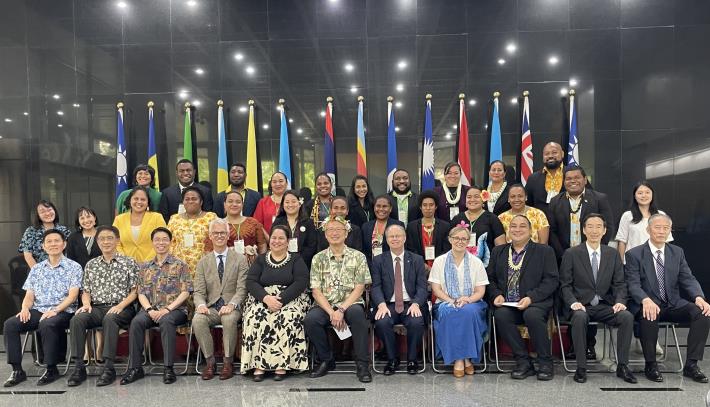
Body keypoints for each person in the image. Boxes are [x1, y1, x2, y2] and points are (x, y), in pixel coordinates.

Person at [625, 213, 710, 383]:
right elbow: (632, 284)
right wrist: (645, 299)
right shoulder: (634, 254)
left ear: (670, 231)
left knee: (702, 312)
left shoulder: (677, 252)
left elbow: (688, 278)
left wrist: (699, 297)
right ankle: (651, 365)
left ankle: (691, 365)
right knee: (649, 313)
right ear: (649, 230)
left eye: (666, 228)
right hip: (649, 304)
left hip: (673, 303)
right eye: (657, 227)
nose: (662, 231)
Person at [559, 213, 637, 384]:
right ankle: (581, 367)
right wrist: (573, 302)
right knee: (579, 317)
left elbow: (620, 283)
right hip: (581, 305)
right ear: (584, 230)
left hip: (605, 304)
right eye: (590, 227)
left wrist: (620, 302)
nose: (594, 230)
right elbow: (565, 284)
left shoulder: (612, 254)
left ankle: (623, 365)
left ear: (604, 231)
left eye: (598, 227)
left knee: (627, 317)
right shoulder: (571, 253)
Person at [3, 229, 82, 387]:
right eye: (49, 242)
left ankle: (51, 368)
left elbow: (72, 296)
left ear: (64, 244)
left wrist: (55, 310)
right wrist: (25, 308)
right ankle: (17, 370)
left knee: (47, 323)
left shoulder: (74, 267)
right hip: (38, 310)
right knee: (10, 324)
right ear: (43, 247)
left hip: (63, 311)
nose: (53, 244)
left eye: (57, 241)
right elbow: (30, 295)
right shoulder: (37, 269)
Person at [66, 225, 139, 387]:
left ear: (117, 240)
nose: (105, 242)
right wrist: (85, 304)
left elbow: (135, 292)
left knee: (110, 318)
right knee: (77, 319)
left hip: (123, 308)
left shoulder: (129, 262)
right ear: (97, 242)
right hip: (97, 307)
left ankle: (108, 368)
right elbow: (86, 290)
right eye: (102, 239)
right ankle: (79, 368)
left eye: (109, 238)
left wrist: (121, 305)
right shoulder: (91, 264)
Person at [487, 215, 558, 380]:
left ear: (530, 231)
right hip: (508, 303)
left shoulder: (544, 251)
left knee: (531, 315)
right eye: (513, 226)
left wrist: (531, 298)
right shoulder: (499, 251)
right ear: (508, 230)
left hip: (536, 303)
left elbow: (551, 280)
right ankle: (523, 361)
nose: (517, 230)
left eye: (522, 226)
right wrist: (496, 294)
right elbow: (489, 279)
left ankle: (545, 361)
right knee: (500, 315)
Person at [120, 227, 193, 385]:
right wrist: (149, 310)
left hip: (175, 310)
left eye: (164, 239)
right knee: (137, 322)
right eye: (157, 239)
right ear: (152, 242)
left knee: (167, 321)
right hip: (150, 309)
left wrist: (167, 309)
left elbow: (185, 292)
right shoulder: (145, 267)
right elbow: (140, 293)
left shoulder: (180, 265)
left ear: (170, 242)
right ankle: (135, 368)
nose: (161, 242)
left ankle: (168, 368)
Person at [305, 216, 372, 383]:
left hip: (351, 302)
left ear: (346, 233)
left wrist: (341, 309)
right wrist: (331, 312)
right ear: (325, 234)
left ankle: (362, 364)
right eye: (330, 230)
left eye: (339, 229)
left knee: (358, 317)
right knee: (311, 320)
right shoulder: (318, 258)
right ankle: (327, 360)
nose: (334, 233)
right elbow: (315, 290)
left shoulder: (358, 257)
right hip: (325, 304)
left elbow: (359, 287)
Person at [241, 225, 310, 381]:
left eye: (281, 238)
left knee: (286, 317)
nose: (276, 241)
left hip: (290, 299)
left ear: (287, 242)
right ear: (269, 239)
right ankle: (259, 365)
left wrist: (280, 300)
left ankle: (282, 365)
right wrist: (266, 298)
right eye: (273, 238)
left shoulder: (296, 259)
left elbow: (301, 282)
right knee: (254, 317)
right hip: (263, 298)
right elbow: (251, 281)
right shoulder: (261, 259)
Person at [192, 219, 249, 381]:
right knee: (198, 320)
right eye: (215, 233)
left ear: (228, 235)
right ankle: (210, 362)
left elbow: (242, 289)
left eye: (222, 233)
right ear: (210, 236)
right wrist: (201, 305)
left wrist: (232, 304)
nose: (219, 236)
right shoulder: (203, 262)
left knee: (229, 319)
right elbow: (198, 291)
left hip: (232, 307)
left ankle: (227, 363)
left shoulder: (240, 259)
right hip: (212, 307)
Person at [429, 225, 489, 378]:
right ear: (450, 239)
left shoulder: (477, 263)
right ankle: (464, 359)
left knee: (467, 312)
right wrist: (452, 301)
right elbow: (436, 289)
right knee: (451, 311)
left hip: (472, 302)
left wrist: (467, 300)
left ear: (469, 241)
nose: (460, 241)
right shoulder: (439, 261)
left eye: (464, 239)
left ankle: (460, 359)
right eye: (456, 238)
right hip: (445, 302)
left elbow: (480, 291)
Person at [371, 225, 428, 375]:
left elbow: (422, 287)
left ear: (404, 238)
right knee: (382, 322)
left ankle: (412, 359)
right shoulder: (378, 261)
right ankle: (392, 359)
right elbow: (375, 287)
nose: (395, 239)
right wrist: (381, 305)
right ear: (386, 240)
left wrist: (416, 303)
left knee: (416, 322)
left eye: (398, 236)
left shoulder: (416, 259)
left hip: (411, 303)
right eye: (391, 236)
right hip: (388, 304)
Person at [548, 165, 615, 261]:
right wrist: (563, 255)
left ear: (585, 180)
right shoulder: (555, 201)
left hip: (592, 256)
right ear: (564, 182)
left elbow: (608, 227)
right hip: (563, 257)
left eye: (577, 178)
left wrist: (595, 249)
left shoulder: (599, 199)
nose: (572, 181)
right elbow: (552, 232)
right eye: (568, 179)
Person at [167, 186, 218, 277]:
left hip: (205, 268)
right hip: (178, 270)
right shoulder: (174, 218)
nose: (190, 201)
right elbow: (169, 243)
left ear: (201, 202)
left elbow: (218, 240)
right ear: (183, 202)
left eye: (194, 199)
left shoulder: (211, 217)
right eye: (187, 199)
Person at [450, 186, 507, 267]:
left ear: (483, 200)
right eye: (469, 197)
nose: (472, 200)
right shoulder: (457, 219)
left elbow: (501, 247)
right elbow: (449, 244)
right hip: (460, 265)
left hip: (486, 267)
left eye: (476, 197)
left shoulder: (492, 219)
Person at [616, 181, 673, 259]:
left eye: (647, 192)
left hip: (655, 261)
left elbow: (666, 240)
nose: (644, 195)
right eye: (640, 193)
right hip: (632, 261)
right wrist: (621, 263)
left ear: (652, 195)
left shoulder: (661, 215)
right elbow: (622, 241)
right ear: (634, 196)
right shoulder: (627, 215)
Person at [209, 190, 266, 265]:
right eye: (230, 201)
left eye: (238, 202)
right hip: (226, 268)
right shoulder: (217, 224)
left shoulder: (253, 223)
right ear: (224, 205)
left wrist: (261, 264)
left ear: (242, 205)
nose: (234, 204)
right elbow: (209, 249)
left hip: (251, 267)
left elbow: (262, 245)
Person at [113, 186, 167, 262]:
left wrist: (147, 262)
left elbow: (162, 242)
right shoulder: (119, 219)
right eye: (136, 199)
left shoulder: (157, 217)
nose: (139, 202)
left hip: (153, 266)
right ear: (130, 200)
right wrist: (126, 261)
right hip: (125, 266)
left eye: (143, 199)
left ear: (148, 202)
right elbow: (115, 242)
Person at [405, 190, 450, 270]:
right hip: (417, 268)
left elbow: (447, 249)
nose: (428, 208)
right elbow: (410, 249)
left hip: (440, 267)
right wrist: (422, 264)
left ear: (436, 207)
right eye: (425, 205)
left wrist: (437, 264)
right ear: (420, 207)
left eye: (431, 205)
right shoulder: (412, 226)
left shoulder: (445, 226)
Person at [18, 200, 70, 268]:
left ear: (54, 211)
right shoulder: (31, 231)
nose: (47, 213)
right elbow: (28, 256)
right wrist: (39, 273)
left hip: (62, 271)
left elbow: (69, 253)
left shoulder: (64, 230)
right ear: (38, 215)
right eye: (42, 212)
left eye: (49, 210)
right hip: (38, 272)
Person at [272, 190, 318, 267]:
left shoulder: (308, 223)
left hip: (303, 264)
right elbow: (273, 242)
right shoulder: (278, 222)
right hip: (281, 264)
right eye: (287, 202)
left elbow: (311, 246)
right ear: (283, 204)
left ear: (300, 203)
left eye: (293, 201)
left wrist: (297, 261)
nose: (290, 205)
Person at [362, 195, 404, 265]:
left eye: (385, 206)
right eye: (378, 206)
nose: (381, 209)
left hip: (391, 267)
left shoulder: (398, 225)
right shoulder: (366, 226)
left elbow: (401, 249)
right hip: (370, 267)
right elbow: (363, 250)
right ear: (374, 208)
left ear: (390, 209)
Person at [524, 142, 565, 213]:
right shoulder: (533, 178)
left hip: (567, 221)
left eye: (554, 152)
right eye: (547, 154)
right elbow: (527, 204)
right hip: (541, 222)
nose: (550, 156)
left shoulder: (572, 174)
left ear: (562, 154)